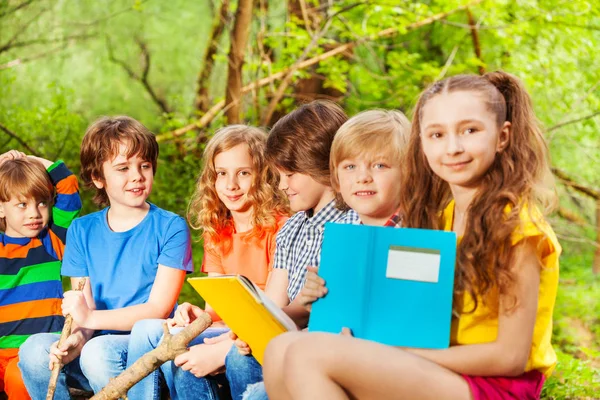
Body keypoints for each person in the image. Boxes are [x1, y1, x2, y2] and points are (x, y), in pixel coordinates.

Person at [263, 71, 561, 400]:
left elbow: (510, 358)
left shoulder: (517, 228)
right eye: (436, 134)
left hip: (493, 385)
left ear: (502, 137)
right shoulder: (437, 220)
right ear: (421, 144)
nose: (453, 147)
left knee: (310, 353)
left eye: (470, 130)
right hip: (439, 365)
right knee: (281, 348)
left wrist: (394, 352)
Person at [19, 116, 193, 399]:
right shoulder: (82, 229)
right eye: (123, 168)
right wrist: (75, 339)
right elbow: (84, 312)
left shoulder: (170, 227)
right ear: (98, 178)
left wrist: (89, 318)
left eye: (144, 166)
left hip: (144, 348)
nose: (136, 176)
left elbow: (158, 309)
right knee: (35, 349)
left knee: (97, 352)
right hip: (92, 347)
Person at [127, 125, 289, 400]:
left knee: (194, 354)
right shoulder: (219, 231)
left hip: (260, 334)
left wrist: (222, 343)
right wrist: (196, 315)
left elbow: (276, 312)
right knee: (159, 334)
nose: (231, 185)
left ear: (264, 176)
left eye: (244, 173)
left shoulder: (281, 228)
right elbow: (217, 310)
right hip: (227, 329)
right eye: (221, 174)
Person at [225, 100, 358, 400]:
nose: (282, 185)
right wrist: (254, 328)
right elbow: (276, 301)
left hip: (327, 346)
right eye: (279, 175)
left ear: (319, 164)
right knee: (238, 358)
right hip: (290, 340)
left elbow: (329, 309)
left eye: (290, 174)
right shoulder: (292, 228)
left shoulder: (353, 222)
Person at [295, 108, 411, 312]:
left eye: (379, 165)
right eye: (350, 167)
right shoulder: (342, 239)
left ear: (409, 174)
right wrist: (314, 299)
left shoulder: (416, 234)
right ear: (336, 180)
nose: (362, 177)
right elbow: (314, 308)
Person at [0, 150, 81, 399]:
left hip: (36, 354)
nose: (34, 213)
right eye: (22, 204)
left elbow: (67, 185)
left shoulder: (52, 241)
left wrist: (30, 161)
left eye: (42, 203)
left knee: (18, 379)